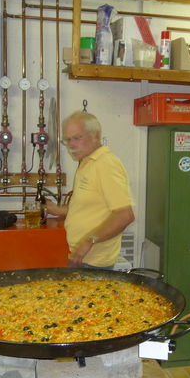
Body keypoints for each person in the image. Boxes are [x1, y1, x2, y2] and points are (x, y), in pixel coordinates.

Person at [46, 111, 134, 268]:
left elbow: (124, 215)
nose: (71, 145)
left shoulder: (106, 164)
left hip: (94, 262)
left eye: (77, 138)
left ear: (95, 136)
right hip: (80, 256)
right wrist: (57, 209)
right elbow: (89, 208)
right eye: (68, 140)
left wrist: (89, 240)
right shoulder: (87, 162)